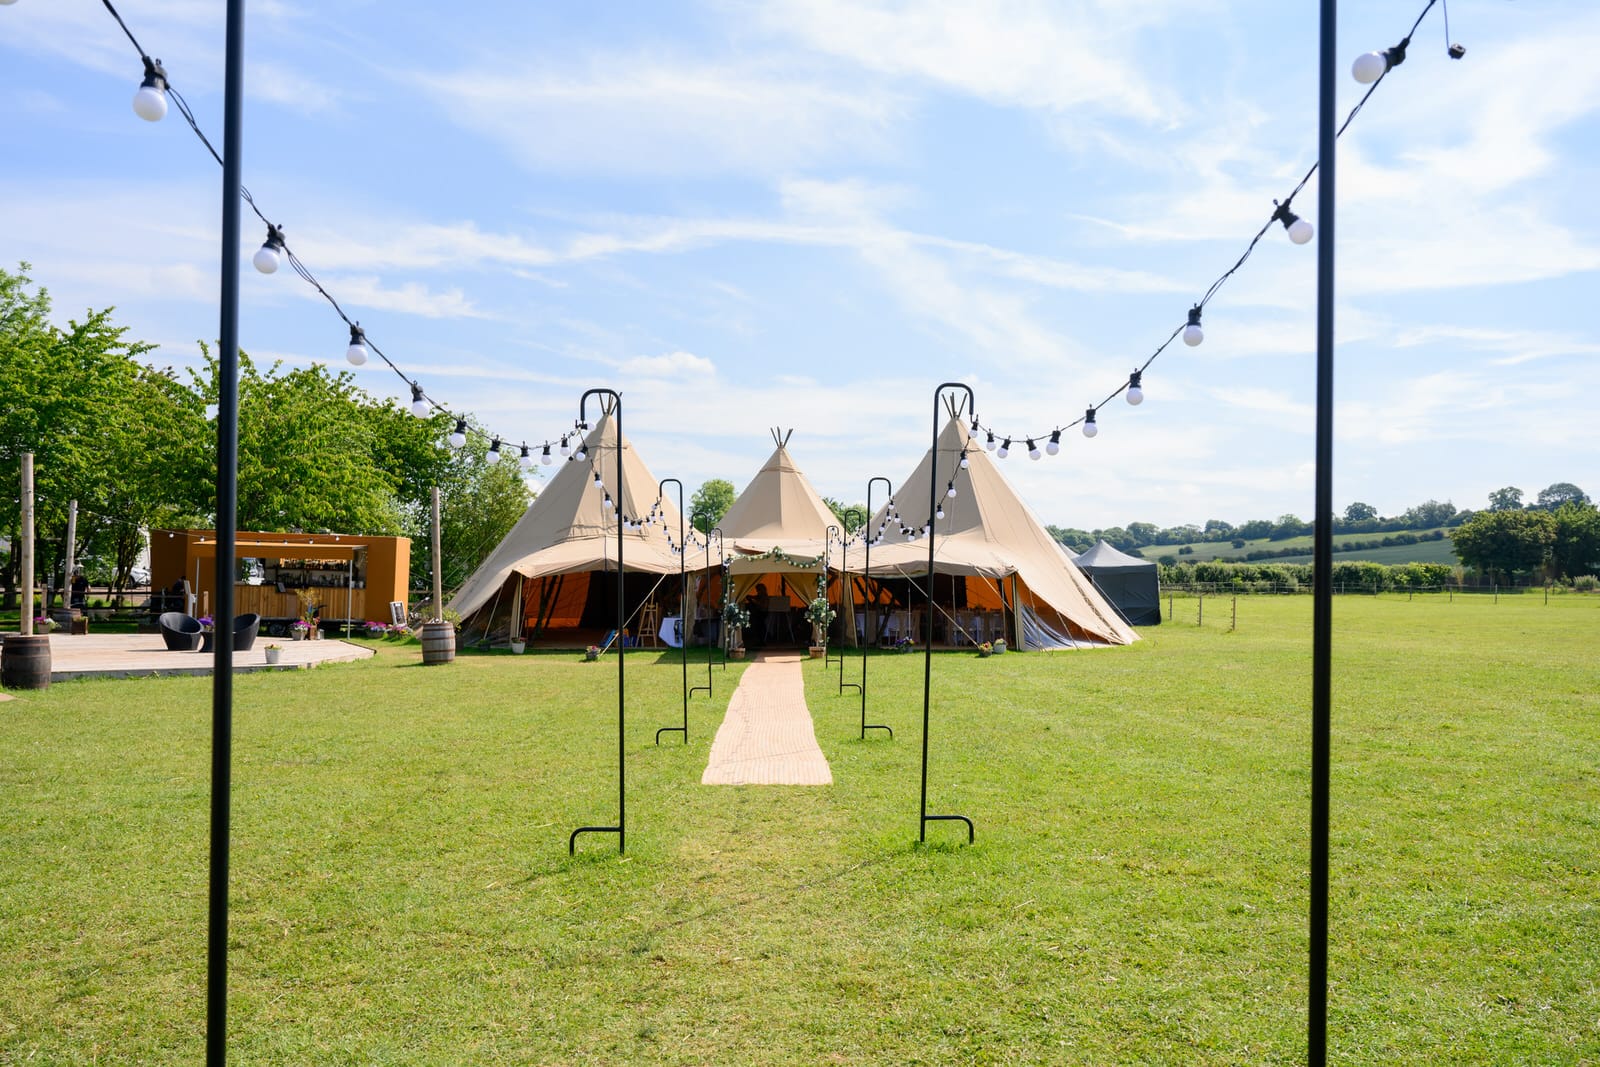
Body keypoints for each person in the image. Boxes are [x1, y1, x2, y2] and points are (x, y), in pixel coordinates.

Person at [744, 583, 769, 650]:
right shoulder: (760, 595)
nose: (757, 591)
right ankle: (759, 640)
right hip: (760, 613)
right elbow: (755, 597)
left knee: (761, 627)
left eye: (758, 589)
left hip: (763, 613)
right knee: (759, 627)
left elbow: (763, 605)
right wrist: (750, 597)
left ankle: (762, 641)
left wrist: (755, 602)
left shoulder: (764, 596)